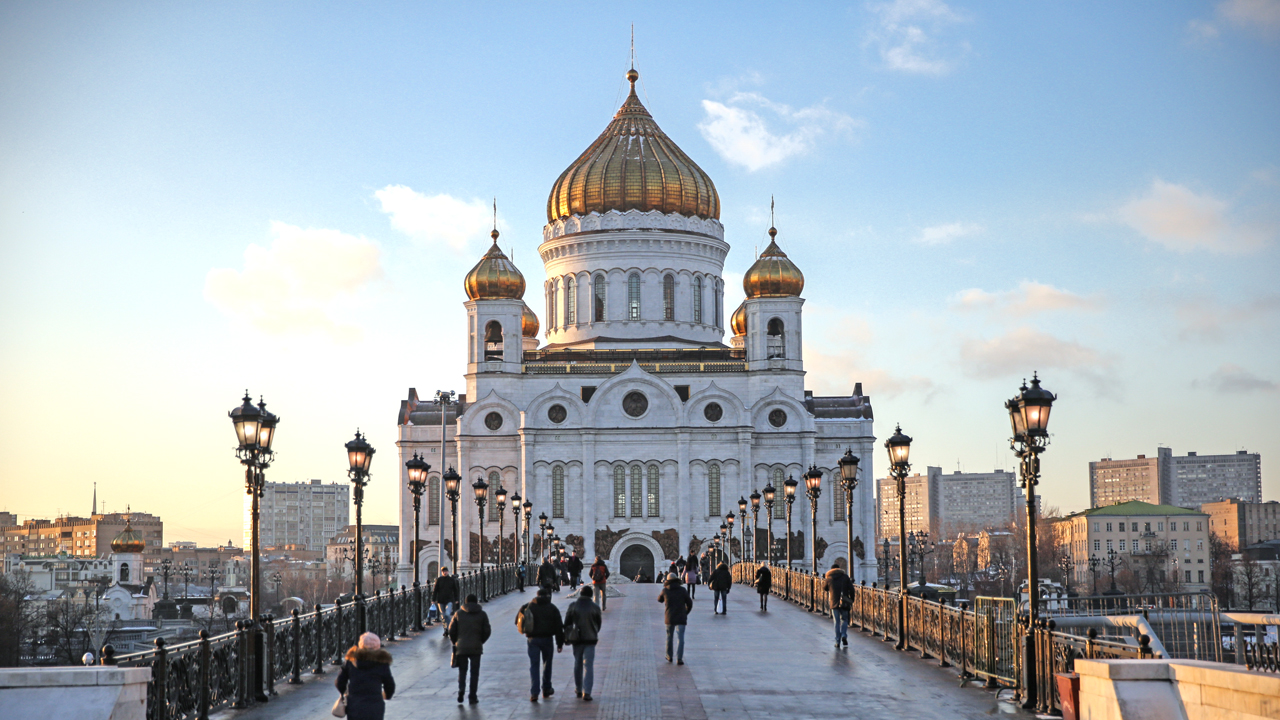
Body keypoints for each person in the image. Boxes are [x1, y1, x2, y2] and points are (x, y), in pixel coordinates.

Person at [335, 632, 395, 720]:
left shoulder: (351, 661)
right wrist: (387, 695)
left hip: (354, 705)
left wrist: (344, 693)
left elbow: (339, 681)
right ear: (377, 647)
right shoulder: (382, 663)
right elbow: (389, 684)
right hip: (375, 706)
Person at [519, 587, 564, 702]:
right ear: (548, 596)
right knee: (547, 664)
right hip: (547, 639)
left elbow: (519, 620)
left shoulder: (529, 606)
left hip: (532, 639)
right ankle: (546, 689)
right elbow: (559, 627)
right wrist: (560, 643)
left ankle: (534, 693)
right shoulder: (552, 608)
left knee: (534, 665)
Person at [447, 593, 491, 703]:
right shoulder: (482, 614)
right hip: (476, 647)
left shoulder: (458, 614)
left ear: (465, 602)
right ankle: (472, 696)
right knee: (474, 672)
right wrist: (481, 641)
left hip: (461, 647)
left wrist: (455, 642)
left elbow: (451, 630)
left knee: (462, 671)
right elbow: (487, 631)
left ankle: (461, 689)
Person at [563, 585, 603, 701]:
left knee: (577, 663)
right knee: (588, 665)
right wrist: (593, 631)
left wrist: (569, 635)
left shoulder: (573, 606)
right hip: (590, 639)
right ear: (591, 595)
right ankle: (588, 692)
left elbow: (566, 623)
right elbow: (598, 624)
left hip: (577, 639)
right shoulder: (595, 607)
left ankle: (578, 689)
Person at [657, 574, 693, 664]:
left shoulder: (665, 590)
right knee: (681, 639)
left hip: (669, 617)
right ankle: (679, 658)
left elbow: (659, 599)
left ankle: (669, 656)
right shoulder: (683, 590)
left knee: (669, 637)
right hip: (681, 617)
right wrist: (686, 612)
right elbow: (690, 603)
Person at [825, 561, 854, 648]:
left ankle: (837, 641)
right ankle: (844, 635)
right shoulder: (845, 577)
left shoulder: (829, 578)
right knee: (845, 620)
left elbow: (825, 588)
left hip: (834, 602)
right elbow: (852, 589)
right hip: (844, 602)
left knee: (836, 622)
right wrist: (851, 599)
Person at [432, 567, 459, 637]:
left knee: (447, 614)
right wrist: (433, 599)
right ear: (442, 572)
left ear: (448, 572)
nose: (445, 572)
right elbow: (435, 590)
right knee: (443, 616)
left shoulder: (451, 580)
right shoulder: (439, 580)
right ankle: (446, 629)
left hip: (449, 600)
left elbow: (455, 590)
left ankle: (450, 628)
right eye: (444, 571)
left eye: (446, 571)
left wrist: (456, 599)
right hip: (440, 600)